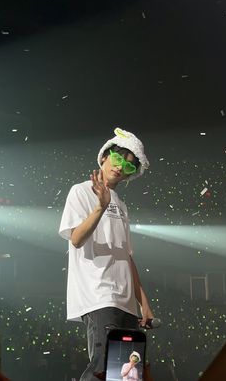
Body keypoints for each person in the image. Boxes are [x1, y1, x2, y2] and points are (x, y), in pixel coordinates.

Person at [59, 127, 154, 381]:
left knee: (127, 375)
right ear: (104, 156)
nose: (122, 166)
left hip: (127, 303)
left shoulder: (121, 205)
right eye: (119, 157)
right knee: (101, 369)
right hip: (99, 294)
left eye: (131, 165)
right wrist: (100, 208)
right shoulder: (80, 191)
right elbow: (76, 239)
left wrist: (143, 303)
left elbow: (127, 256)